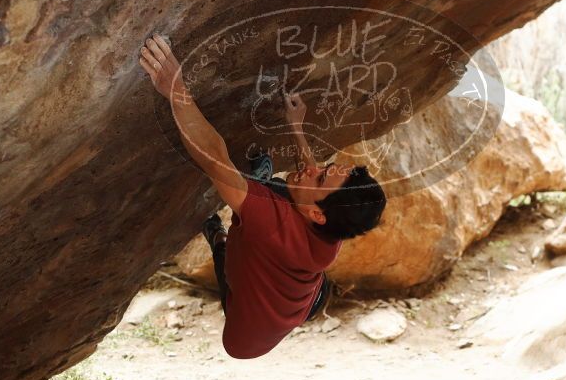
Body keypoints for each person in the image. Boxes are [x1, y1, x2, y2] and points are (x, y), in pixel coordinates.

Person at [139, 34, 386, 359]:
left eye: (323, 175)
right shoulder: (332, 222)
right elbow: (314, 182)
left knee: (229, 256)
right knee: (285, 194)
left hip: (245, 334)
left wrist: (176, 88)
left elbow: (214, 159)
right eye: (327, 168)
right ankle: (256, 187)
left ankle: (219, 236)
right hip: (301, 295)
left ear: (317, 216)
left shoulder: (273, 220)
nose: (315, 168)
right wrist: (296, 127)